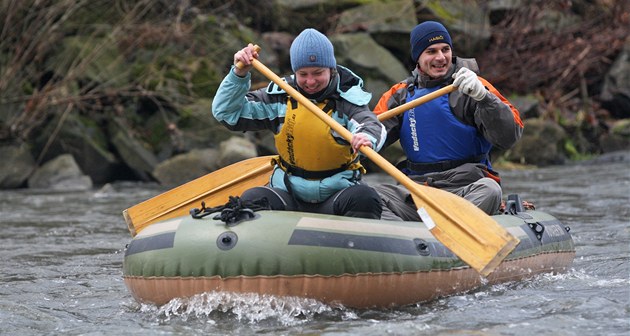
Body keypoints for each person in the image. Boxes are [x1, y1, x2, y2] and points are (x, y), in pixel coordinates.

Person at [212, 28, 386, 219]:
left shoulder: (347, 100)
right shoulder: (279, 98)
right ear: (295, 72)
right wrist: (239, 74)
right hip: (288, 194)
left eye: (318, 73)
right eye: (303, 74)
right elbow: (227, 113)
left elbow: (370, 124)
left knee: (365, 198)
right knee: (252, 198)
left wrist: (365, 138)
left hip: (336, 195)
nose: (310, 81)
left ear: (331, 68)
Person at [373, 21, 523, 220]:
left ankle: (443, 231)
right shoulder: (400, 95)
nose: (441, 57)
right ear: (418, 57)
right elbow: (372, 133)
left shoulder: (474, 87)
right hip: (419, 191)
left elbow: (508, 136)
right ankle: (413, 240)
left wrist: (484, 98)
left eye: (445, 49)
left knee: (490, 190)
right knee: (371, 197)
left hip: (467, 189)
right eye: (431, 51)